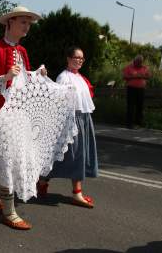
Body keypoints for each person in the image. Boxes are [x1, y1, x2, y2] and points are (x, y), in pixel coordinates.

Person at [0, 6, 46, 230]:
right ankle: (8, 211)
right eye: (23, 22)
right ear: (10, 23)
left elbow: (21, 83)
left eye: (29, 23)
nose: (26, 26)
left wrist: (36, 75)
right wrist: (4, 77)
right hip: (2, 115)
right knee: (8, 162)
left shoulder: (22, 51)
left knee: (16, 161)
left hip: (19, 114)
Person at [37, 46, 98, 208]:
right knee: (67, 155)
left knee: (76, 155)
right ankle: (45, 182)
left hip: (84, 119)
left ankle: (46, 183)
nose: (79, 60)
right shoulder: (63, 77)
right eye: (76, 57)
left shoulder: (81, 78)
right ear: (68, 59)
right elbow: (58, 100)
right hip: (70, 121)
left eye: (81, 58)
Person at [123, 55, 151, 129]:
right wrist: (134, 77)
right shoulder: (129, 67)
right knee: (131, 106)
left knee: (140, 106)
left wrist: (141, 76)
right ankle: (129, 124)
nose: (139, 63)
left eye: (140, 62)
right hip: (131, 89)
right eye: (137, 62)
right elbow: (125, 77)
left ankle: (138, 123)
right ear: (134, 61)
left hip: (141, 89)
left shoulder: (145, 68)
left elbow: (148, 76)